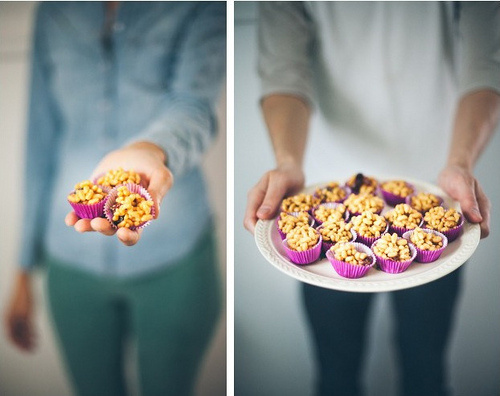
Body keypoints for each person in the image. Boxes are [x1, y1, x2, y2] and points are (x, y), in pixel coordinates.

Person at [244, 2, 500, 396]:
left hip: (438, 189)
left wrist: (460, 162)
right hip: (323, 195)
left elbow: (487, 62)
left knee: (426, 374)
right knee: (335, 377)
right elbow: (283, 72)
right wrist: (288, 162)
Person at [4, 2, 226, 396]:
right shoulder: (53, 11)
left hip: (176, 258)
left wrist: (150, 148)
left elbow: (194, 107)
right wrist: (23, 269)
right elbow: (40, 139)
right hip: (70, 265)